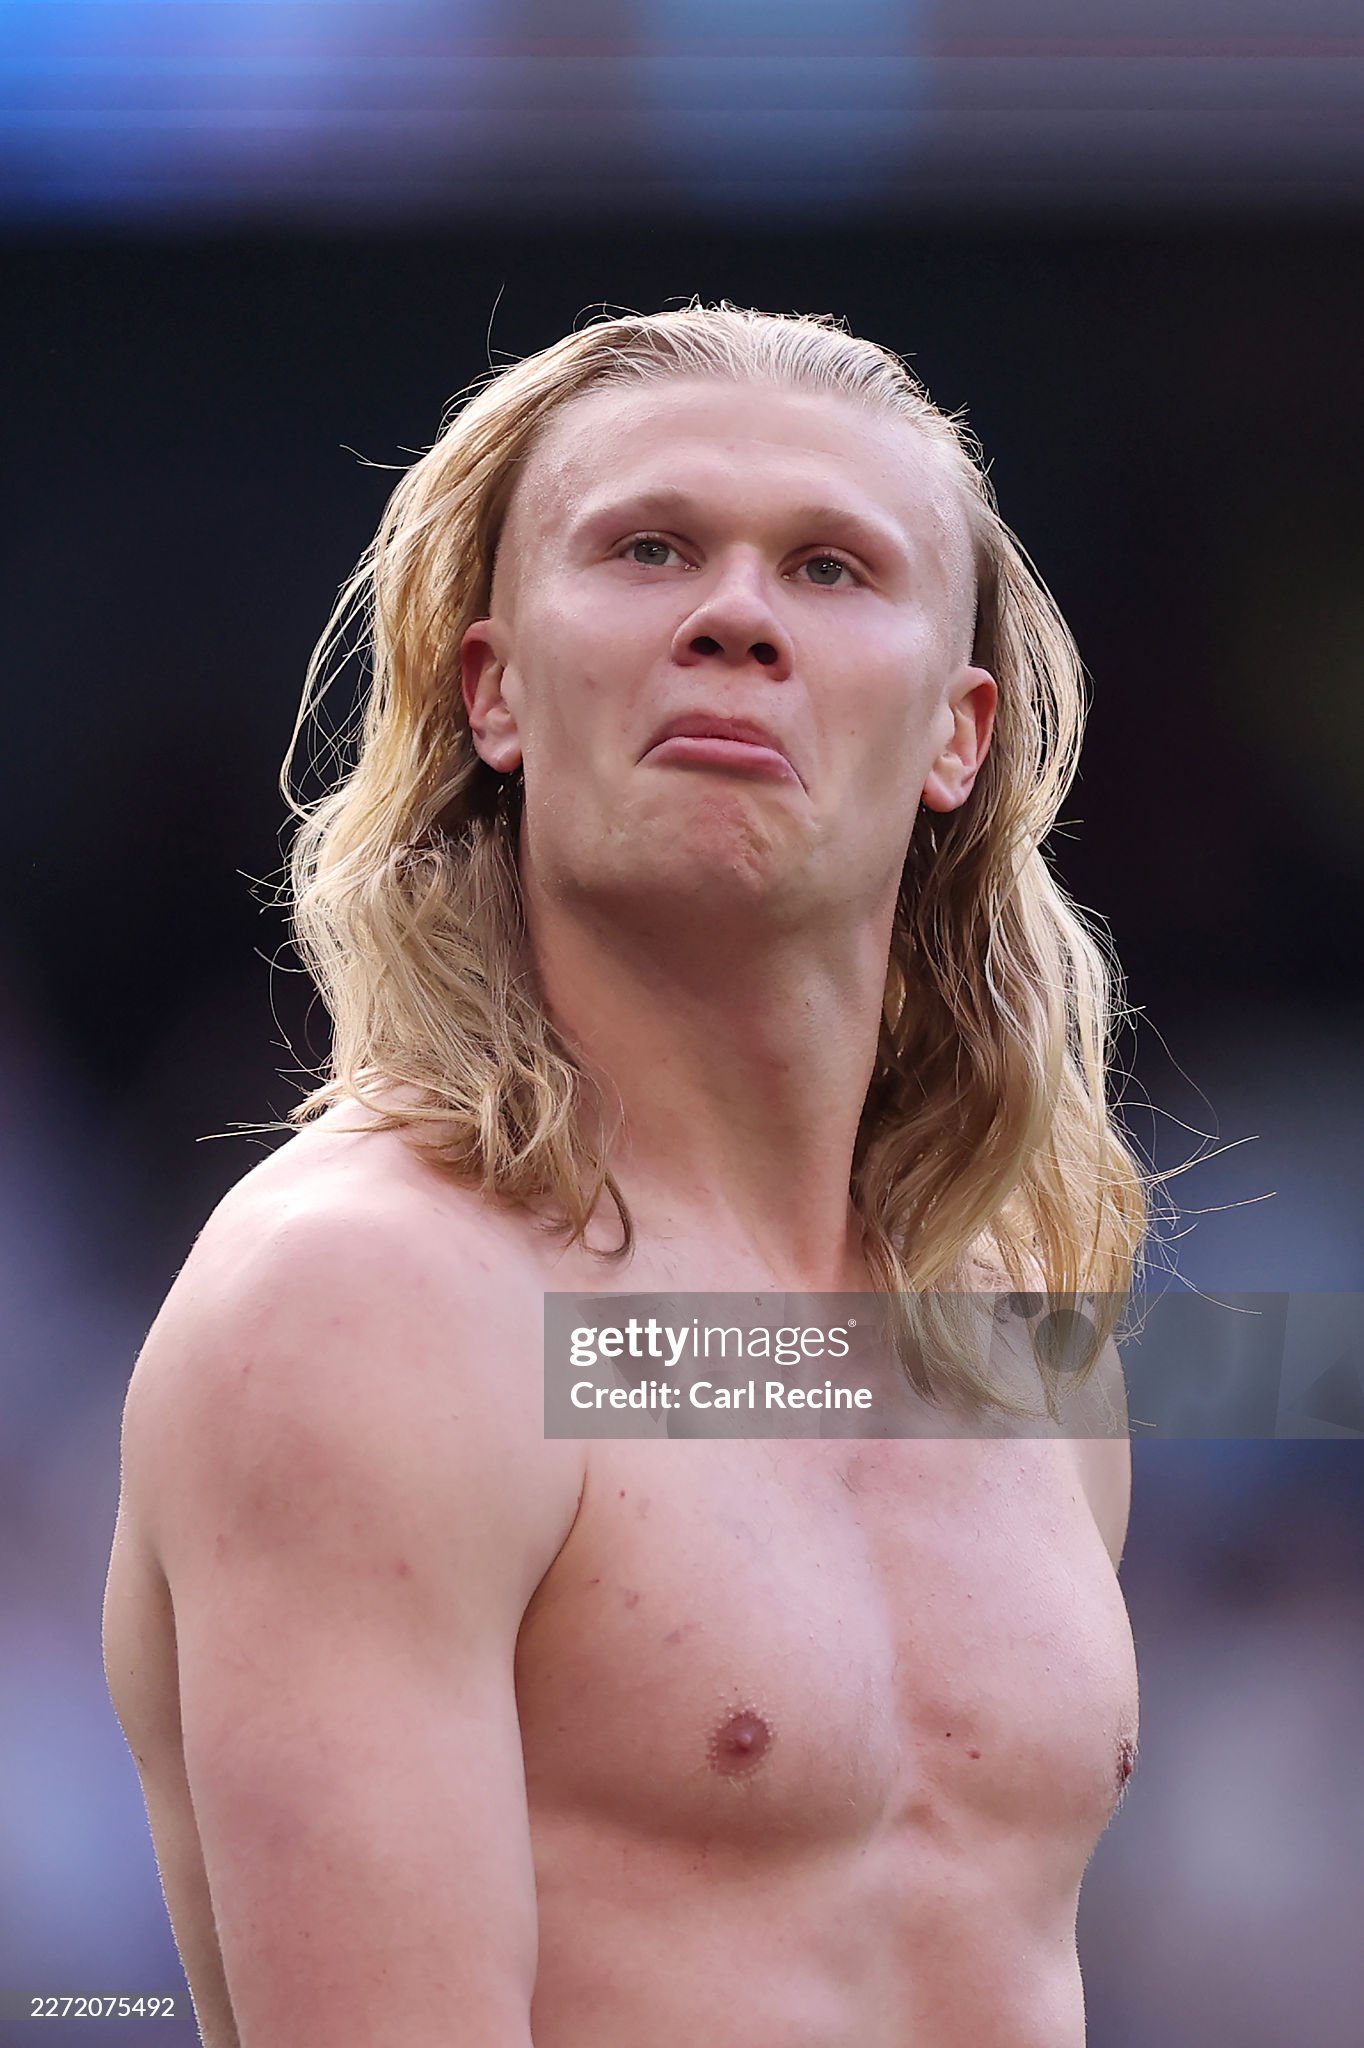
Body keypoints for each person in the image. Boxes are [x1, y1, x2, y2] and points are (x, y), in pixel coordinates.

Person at [103, 303, 1147, 2047]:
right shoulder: (366, 1297)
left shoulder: (1012, 1335)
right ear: (495, 689)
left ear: (959, 737)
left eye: (830, 568)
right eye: (650, 548)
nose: (735, 616)